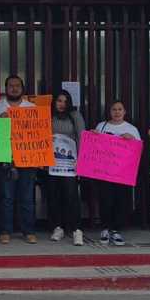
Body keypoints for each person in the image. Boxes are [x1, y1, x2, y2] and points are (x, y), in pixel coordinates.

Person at [0, 75, 40, 244]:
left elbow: (38, 134)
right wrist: (0, 121)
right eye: (11, 86)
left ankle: (29, 231)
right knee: (6, 196)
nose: (14, 88)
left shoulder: (31, 107)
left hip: (27, 158)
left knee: (27, 197)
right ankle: (4, 231)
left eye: (17, 85)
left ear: (22, 88)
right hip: (4, 156)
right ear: (6, 88)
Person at [94, 100, 140, 246]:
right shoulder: (101, 126)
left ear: (124, 112)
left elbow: (138, 150)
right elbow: (95, 147)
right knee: (105, 199)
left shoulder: (132, 129)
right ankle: (105, 228)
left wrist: (132, 140)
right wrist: (94, 136)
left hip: (122, 173)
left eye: (120, 109)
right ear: (110, 112)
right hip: (104, 171)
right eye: (114, 109)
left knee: (121, 200)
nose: (117, 112)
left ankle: (116, 230)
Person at [47, 91, 87, 246]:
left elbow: (82, 137)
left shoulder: (75, 116)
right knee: (54, 195)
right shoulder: (50, 116)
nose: (62, 104)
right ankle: (58, 227)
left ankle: (77, 229)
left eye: (65, 101)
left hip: (70, 163)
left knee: (71, 196)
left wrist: (80, 160)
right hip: (52, 163)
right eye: (59, 101)